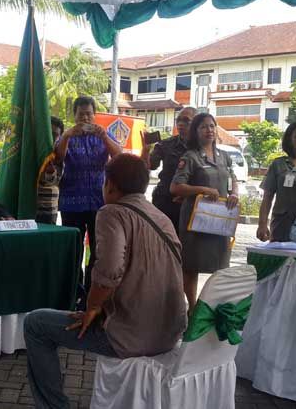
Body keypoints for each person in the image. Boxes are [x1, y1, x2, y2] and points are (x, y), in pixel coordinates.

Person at [24, 154, 187, 408]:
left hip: (132, 335)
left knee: (35, 324)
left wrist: (92, 308)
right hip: (170, 332)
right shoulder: (160, 216)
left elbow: (109, 271)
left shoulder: (112, 213)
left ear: (110, 184)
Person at [170, 113, 238, 313]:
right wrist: (202, 189)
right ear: (196, 132)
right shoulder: (189, 157)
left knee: (220, 265)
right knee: (191, 266)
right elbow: (175, 187)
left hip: (219, 221)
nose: (209, 130)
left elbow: (232, 178)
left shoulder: (224, 156)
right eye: (203, 127)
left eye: (212, 126)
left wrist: (234, 193)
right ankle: (192, 308)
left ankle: (213, 307)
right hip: (195, 220)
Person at [55, 96, 122, 293]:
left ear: (94, 115)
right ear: (74, 115)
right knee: (74, 250)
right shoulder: (67, 135)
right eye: (81, 114)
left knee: (98, 251)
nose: (85, 117)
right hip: (71, 203)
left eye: (89, 114)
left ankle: (92, 291)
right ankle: (75, 290)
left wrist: (104, 137)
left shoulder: (104, 133)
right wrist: (67, 136)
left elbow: (119, 154)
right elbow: (58, 157)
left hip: (99, 202)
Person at [141, 107, 197, 233]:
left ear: (196, 123)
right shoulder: (166, 144)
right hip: (165, 202)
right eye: (178, 120)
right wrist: (145, 150)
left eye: (186, 121)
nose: (181, 124)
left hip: (190, 204)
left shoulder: (202, 148)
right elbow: (148, 166)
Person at [36, 116, 64, 224]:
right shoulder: (30, 149)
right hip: (28, 206)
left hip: (48, 209)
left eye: (55, 134)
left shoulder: (58, 154)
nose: (51, 137)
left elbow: (55, 181)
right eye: (48, 132)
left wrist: (50, 171)